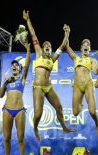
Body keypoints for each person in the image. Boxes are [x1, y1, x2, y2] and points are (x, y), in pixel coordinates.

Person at [23, 10, 75, 141]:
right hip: (38, 87)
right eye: (45, 45)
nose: (47, 46)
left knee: (59, 107)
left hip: (48, 87)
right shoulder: (39, 53)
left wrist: (67, 33)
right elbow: (33, 34)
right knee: (39, 113)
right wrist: (27, 20)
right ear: (42, 47)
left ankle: (64, 127)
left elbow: (63, 46)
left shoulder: (52, 59)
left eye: (49, 46)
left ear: (51, 50)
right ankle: (35, 128)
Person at [0, 42, 31, 155]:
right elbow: (0, 96)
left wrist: (28, 50)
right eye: (12, 65)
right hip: (7, 110)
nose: (14, 66)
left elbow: (27, 65)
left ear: (19, 68)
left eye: (16, 65)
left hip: (19, 110)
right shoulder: (7, 81)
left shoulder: (22, 79)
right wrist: (4, 83)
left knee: (20, 137)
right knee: (6, 138)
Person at [65, 28, 98, 134]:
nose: (86, 46)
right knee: (75, 112)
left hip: (88, 85)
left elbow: (95, 71)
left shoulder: (92, 60)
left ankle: (97, 124)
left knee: (92, 111)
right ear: (81, 48)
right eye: (84, 45)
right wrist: (67, 33)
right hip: (77, 86)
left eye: (88, 45)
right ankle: (80, 104)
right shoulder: (76, 58)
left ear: (90, 49)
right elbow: (67, 46)